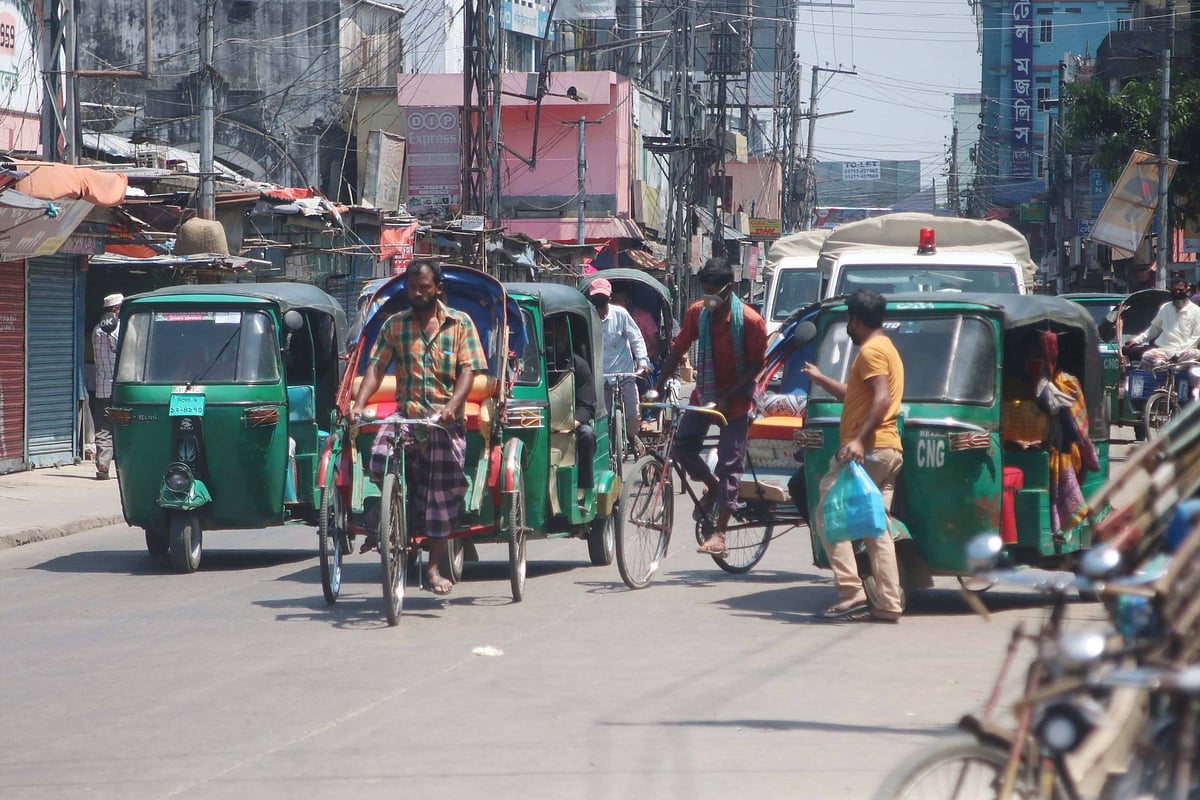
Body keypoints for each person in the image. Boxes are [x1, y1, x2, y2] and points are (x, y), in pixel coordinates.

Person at [349, 259, 487, 596]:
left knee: (440, 489)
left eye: (424, 287)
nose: (418, 293)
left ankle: (433, 568)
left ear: (438, 288)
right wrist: (359, 404)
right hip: (408, 415)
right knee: (379, 455)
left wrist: (453, 407)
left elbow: (469, 371)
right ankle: (384, 515)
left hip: (443, 420)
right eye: (412, 287)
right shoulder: (395, 325)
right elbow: (376, 368)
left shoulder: (460, 324)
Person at [801, 290, 905, 623]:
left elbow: (882, 399)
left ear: (856, 320)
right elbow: (857, 396)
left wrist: (859, 441)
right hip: (888, 451)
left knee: (828, 511)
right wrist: (821, 379)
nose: (848, 325)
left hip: (870, 451)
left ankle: (851, 591)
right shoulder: (885, 348)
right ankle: (889, 602)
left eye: (848, 319)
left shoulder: (872, 351)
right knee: (877, 529)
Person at [654, 257, 767, 556]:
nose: (710, 296)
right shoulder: (697, 313)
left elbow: (757, 364)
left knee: (731, 464)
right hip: (705, 393)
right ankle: (712, 486)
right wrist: (656, 384)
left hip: (738, 399)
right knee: (681, 446)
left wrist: (730, 398)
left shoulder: (752, 321)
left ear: (729, 288)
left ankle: (720, 533)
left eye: (715, 290)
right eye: (706, 290)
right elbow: (678, 349)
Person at [587, 278, 650, 450]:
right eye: (596, 299)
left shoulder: (620, 314)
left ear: (610, 297)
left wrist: (642, 362)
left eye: (603, 298)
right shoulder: (587, 316)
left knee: (632, 412)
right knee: (601, 416)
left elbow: (636, 338)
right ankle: (604, 448)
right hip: (602, 376)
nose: (600, 303)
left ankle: (632, 436)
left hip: (624, 372)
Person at [1125, 271, 1200, 369]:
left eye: (1180, 290)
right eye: (1174, 291)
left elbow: (1196, 337)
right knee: (1148, 357)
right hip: (1165, 350)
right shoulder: (1166, 308)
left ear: (1187, 289)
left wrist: (1178, 353)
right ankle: (1157, 380)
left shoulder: (1196, 311)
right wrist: (1136, 340)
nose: (1177, 293)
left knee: (1194, 356)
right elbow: (1154, 328)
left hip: (1185, 352)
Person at [91, 293, 123, 480]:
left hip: (103, 388)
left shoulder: (96, 330)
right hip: (121, 389)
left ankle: (103, 464)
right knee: (122, 425)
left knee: (103, 427)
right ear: (115, 310)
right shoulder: (122, 329)